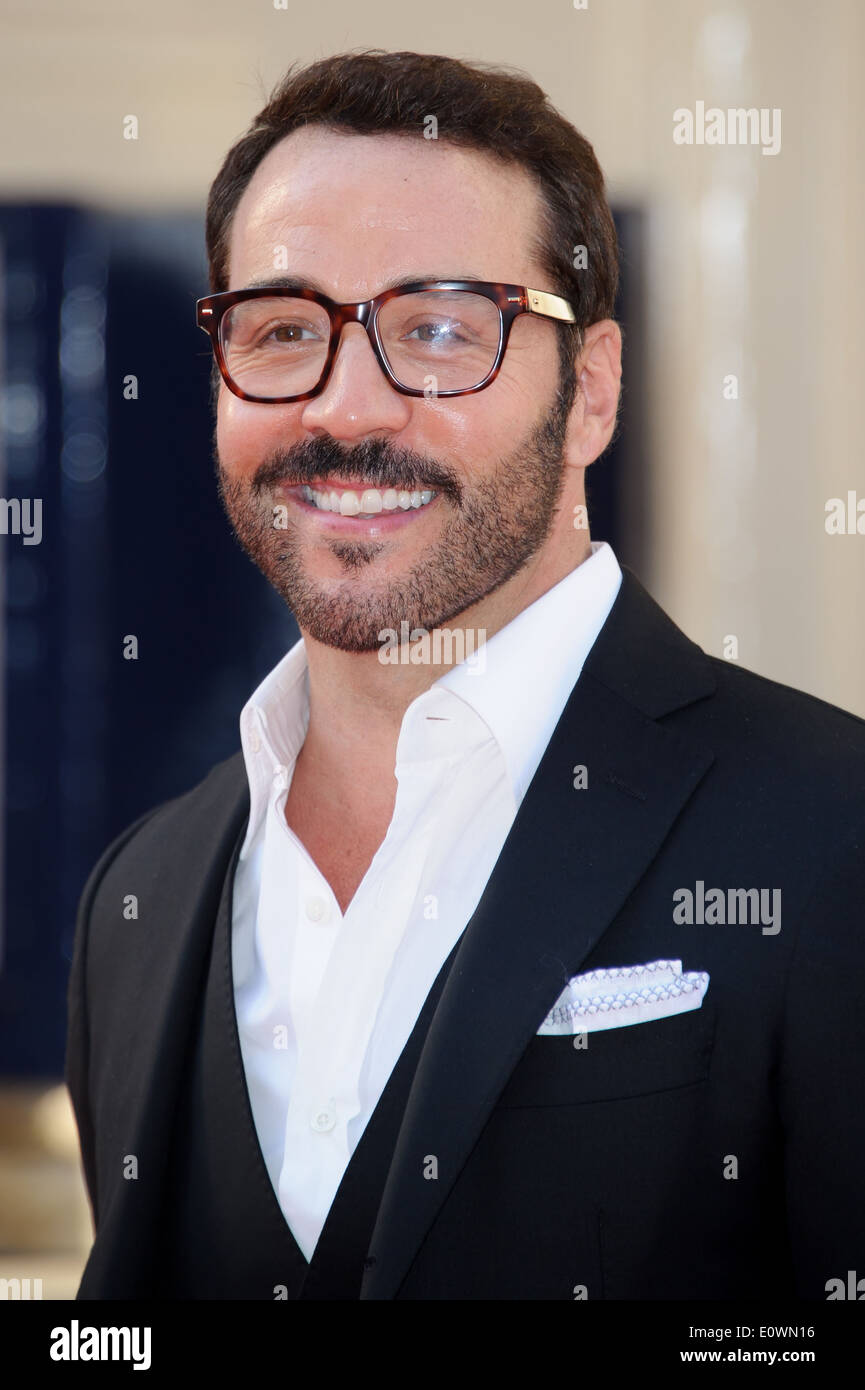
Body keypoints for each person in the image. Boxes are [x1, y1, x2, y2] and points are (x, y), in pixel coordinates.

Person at [66, 48, 865, 1301]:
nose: (350, 407)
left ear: (589, 392)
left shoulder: (833, 829)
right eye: (283, 330)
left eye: (438, 329)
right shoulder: (142, 895)